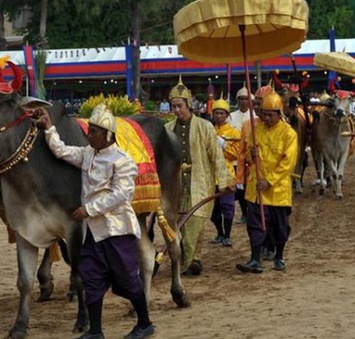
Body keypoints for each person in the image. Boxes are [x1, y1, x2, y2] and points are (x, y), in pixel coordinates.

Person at [35, 104, 154, 339]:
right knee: (91, 278)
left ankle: (145, 323)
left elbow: (121, 195)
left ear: (108, 136)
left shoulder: (123, 161)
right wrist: (49, 128)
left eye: (94, 132)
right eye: (89, 131)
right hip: (94, 233)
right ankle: (96, 331)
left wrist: (89, 209)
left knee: (129, 279)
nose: (89, 135)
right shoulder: (88, 153)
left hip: (117, 232)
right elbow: (61, 150)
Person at [165, 77, 233, 276]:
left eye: (180, 106)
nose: (177, 110)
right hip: (175, 185)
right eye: (173, 107)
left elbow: (216, 156)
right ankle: (187, 259)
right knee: (177, 224)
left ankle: (192, 261)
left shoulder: (205, 126)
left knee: (194, 223)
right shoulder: (167, 129)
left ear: (189, 104)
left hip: (199, 181)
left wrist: (225, 181)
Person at [236, 92, 298, 274]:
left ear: (279, 114)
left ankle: (279, 256)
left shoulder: (289, 134)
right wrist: (252, 154)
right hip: (256, 189)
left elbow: (288, 163)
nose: (266, 118)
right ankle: (255, 259)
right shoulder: (256, 131)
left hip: (277, 190)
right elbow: (247, 155)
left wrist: (269, 181)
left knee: (280, 227)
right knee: (254, 224)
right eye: (264, 113)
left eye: (271, 114)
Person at [210, 98, 240, 247]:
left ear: (227, 115)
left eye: (222, 113)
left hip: (227, 173)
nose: (219, 116)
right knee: (213, 211)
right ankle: (219, 233)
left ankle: (227, 235)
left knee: (227, 208)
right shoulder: (209, 130)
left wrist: (224, 146)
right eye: (216, 113)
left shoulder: (233, 132)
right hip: (211, 175)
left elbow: (236, 154)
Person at [230, 84, 255, 225]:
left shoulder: (255, 117)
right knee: (239, 190)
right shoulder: (231, 117)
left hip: (250, 159)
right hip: (235, 159)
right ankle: (244, 213)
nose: (243, 102)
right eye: (241, 99)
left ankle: (250, 213)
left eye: (246, 99)